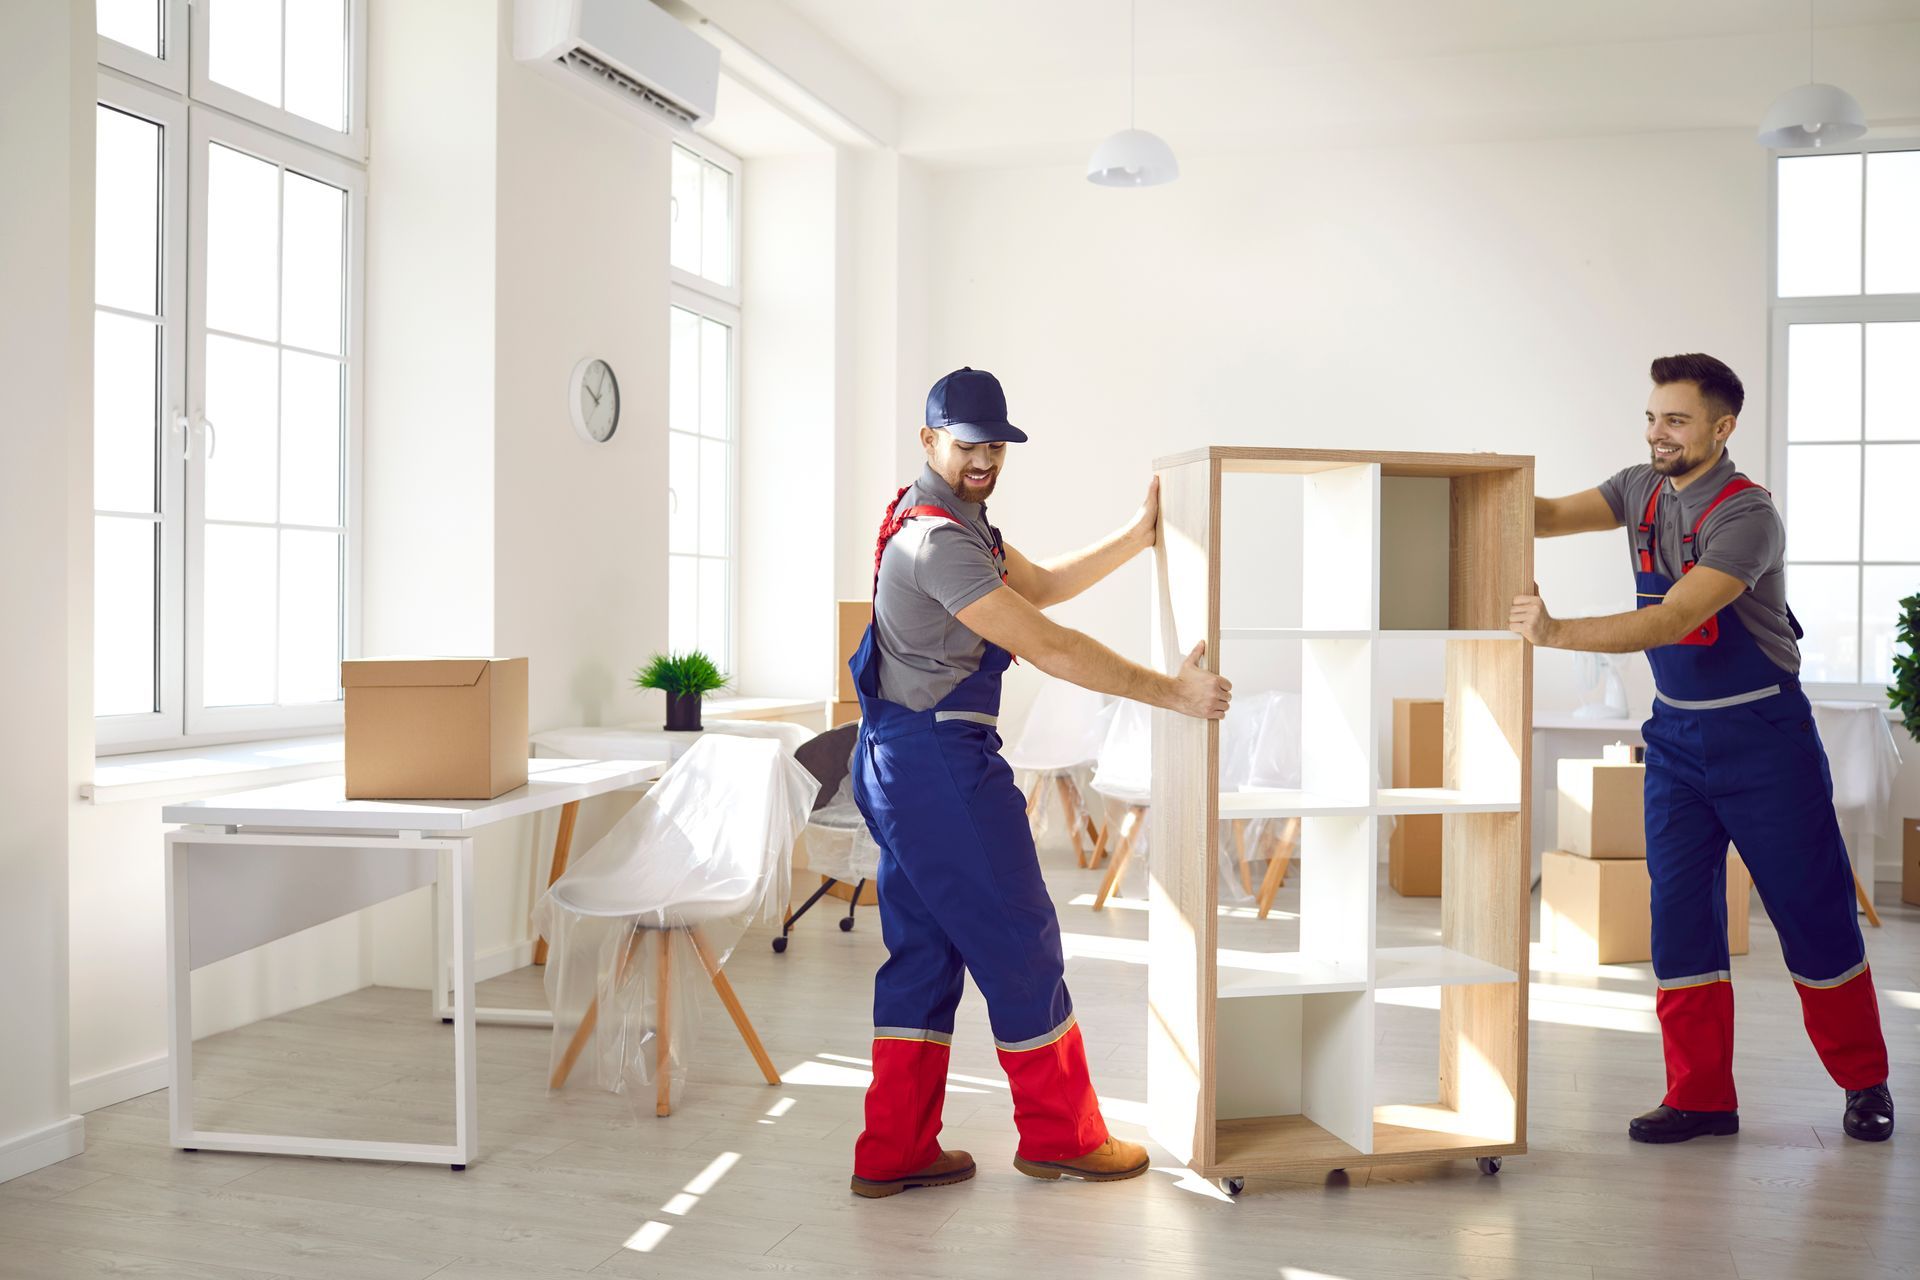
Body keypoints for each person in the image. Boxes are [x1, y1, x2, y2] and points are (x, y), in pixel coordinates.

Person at [846, 366, 1233, 1198]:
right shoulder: (937, 542)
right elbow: (1050, 643)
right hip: (939, 766)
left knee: (924, 952)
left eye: (996, 445)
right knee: (1021, 941)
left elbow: (1044, 584)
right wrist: (1172, 692)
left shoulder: (947, 518)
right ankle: (1062, 1136)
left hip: (900, 760)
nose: (985, 458)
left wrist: (1137, 536)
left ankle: (894, 1149)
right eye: (968, 444)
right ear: (929, 440)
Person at [1512, 352, 1893, 1145]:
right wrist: (1455, 482)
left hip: (1764, 738)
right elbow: (1542, 514)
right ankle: (1700, 1097)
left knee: (1812, 915)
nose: (1657, 433)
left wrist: (1553, 634)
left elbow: (1671, 620)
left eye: (1676, 420)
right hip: (1676, 738)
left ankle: (1865, 1083)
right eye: (1652, 416)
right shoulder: (1637, 487)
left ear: (1722, 428)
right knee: (1680, 919)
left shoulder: (1747, 514)